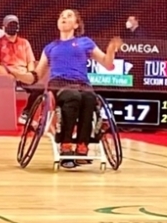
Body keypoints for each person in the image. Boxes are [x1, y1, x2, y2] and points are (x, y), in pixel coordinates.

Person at [10, 9, 122, 168]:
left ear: (76, 24)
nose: (63, 17)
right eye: (61, 16)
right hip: (59, 85)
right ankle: (66, 145)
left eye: (69, 16)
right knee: (72, 97)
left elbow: (108, 64)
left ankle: (82, 146)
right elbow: (36, 76)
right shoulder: (50, 48)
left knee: (89, 98)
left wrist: (110, 51)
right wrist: (18, 75)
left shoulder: (85, 42)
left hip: (82, 84)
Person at [0, 15, 40, 124]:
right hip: (6, 75)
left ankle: (26, 115)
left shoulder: (24, 43)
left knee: (39, 88)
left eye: (15, 25)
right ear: (4, 27)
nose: (13, 27)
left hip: (23, 75)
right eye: (10, 25)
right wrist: (7, 76)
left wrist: (30, 75)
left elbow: (30, 62)